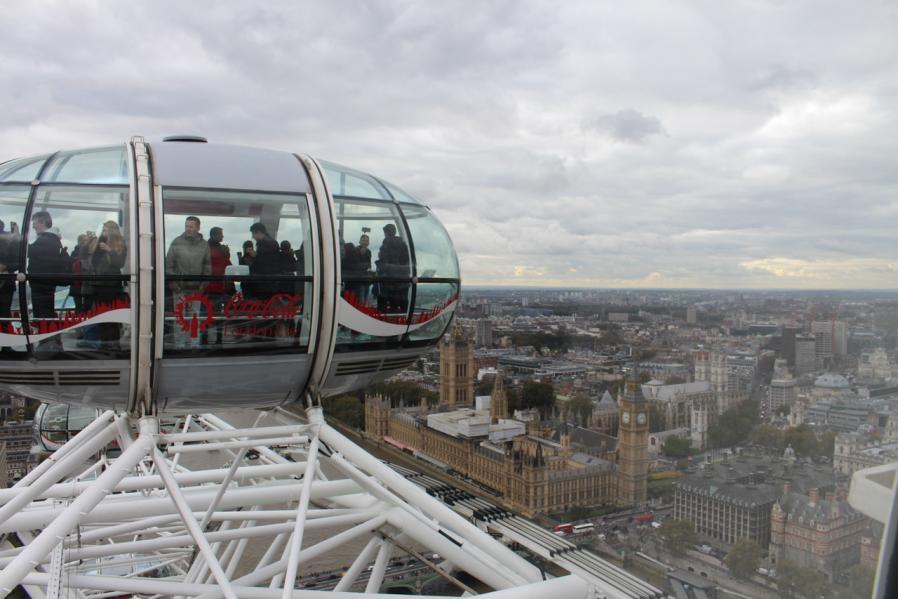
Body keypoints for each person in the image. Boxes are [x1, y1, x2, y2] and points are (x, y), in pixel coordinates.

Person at [164, 216, 211, 347]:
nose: (188, 229)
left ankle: (194, 345)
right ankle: (179, 346)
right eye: (186, 226)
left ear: (198, 228)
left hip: (196, 289)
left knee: (195, 319)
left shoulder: (204, 245)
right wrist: (175, 284)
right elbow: (168, 266)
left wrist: (203, 286)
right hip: (179, 290)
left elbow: (207, 267)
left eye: (191, 226)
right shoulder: (176, 242)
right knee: (179, 319)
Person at [83, 221, 127, 349]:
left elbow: (120, 263)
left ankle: (114, 345)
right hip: (99, 286)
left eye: (106, 230)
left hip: (112, 287)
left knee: (112, 320)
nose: (104, 233)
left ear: (112, 231)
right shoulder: (98, 243)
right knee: (102, 318)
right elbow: (87, 260)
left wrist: (110, 250)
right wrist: (88, 242)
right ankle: (105, 345)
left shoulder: (120, 244)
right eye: (103, 230)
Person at [27, 211, 65, 331]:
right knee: (43, 313)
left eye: (35, 223)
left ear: (42, 222)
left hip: (42, 283)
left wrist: (18, 238)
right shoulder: (50, 239)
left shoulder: (47, 240)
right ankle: (47, 340)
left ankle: (48, 341)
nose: (33, 226)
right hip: (43, 282)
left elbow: (29, 251)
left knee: (43, 314)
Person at [376, 223, 410, 313]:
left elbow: (383, 262)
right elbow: (407, 261)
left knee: (386, 306)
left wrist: (379, 262)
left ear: (386, 233)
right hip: (403, 281)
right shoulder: (403, 245)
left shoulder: (385, 244)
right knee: (401, 305)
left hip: (388, 281)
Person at [247, 222, 279, 299]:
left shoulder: (266, 243)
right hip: (267, 280)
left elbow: (266, 261)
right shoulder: (270, 242)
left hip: (265, 280)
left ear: (258, 232)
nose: (253, 237)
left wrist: (255, 255)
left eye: (253, 234)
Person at [0, 220, 20, 332]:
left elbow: (17, 262)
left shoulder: (11, 240)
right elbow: (17, 262)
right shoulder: (11, 240)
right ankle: (6, 344)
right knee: (4, 313)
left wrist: (5, 267)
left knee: (4, 312)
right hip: (7, 283)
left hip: (6, 283)